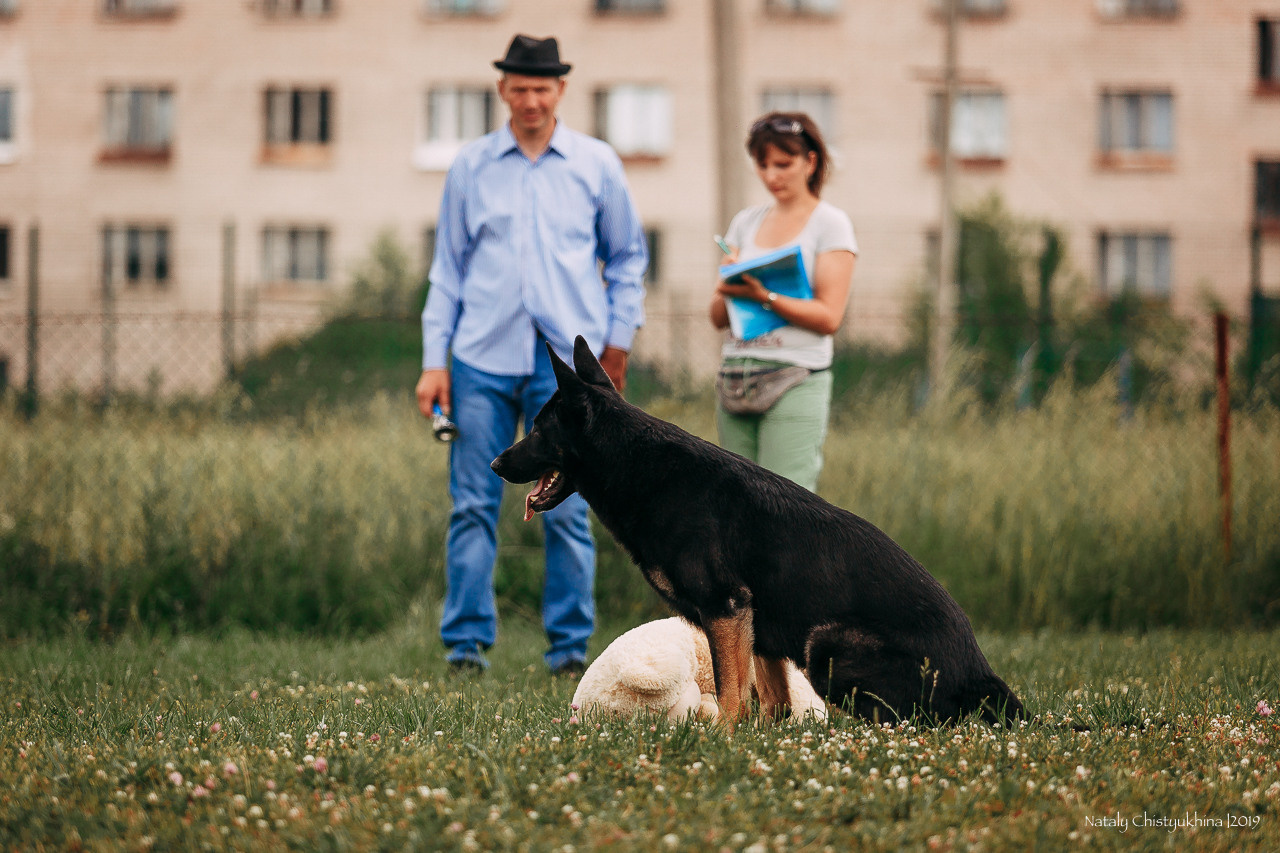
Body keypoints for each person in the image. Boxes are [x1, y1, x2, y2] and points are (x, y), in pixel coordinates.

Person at [416, 34, 648, 675]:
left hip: (570, 376)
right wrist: (435, 361)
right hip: (480, 361)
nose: (530, 100)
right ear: (503, 91)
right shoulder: (470, 167)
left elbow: (627, 258)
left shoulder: (597, 165)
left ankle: (570, 652)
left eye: (541, 88)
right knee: (471, 505)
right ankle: (465, 647)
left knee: (570, 510)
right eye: (519, 88)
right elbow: (447, 271)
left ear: (560, 92)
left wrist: (618, 343)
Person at [708, 112, 857, 492]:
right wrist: (728, 280)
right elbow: (716, 317)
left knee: (786, 506)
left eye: (783, 164)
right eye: (763, 165)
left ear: (810, 161)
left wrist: (766, 296)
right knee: (736, 505)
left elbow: (829, 317)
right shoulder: (746, 222)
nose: (772, 176)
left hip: (794, 377)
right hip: (736, 375)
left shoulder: (830, 223)